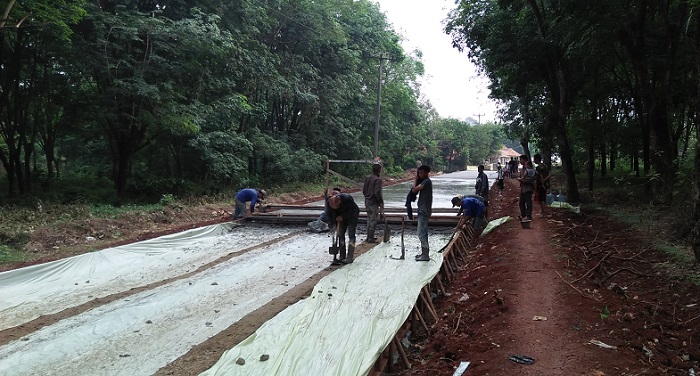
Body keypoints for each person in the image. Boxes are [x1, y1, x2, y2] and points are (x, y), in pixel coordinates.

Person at [327, 193, 360, 264]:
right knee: (340, 235)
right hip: (340, 218)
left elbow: (354, 211)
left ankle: (349, 257)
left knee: (351, 235)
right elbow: (329, 214)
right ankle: (342, 256)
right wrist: (331, 225)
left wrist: (343, 216)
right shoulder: (329, 202)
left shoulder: (347, 199)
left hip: (352, 217)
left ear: (340, 201)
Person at [412, 165, 433, 261]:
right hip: (423, 209)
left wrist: (415, 179)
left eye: (421, 173)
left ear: (426, 173)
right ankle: (424, 253)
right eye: (418, 173)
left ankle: (425, 255)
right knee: (423, 232)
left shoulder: (427, 182)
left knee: (421, 232)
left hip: (424, 210)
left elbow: (414, 189)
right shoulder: (426, 182)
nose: (419, 175)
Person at [363, 163, 384, 243]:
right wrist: (380, 202)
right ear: (379, 170)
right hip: (373, 202)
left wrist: (367, 197)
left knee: (369, 218)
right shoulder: (378, 180)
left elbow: (364, 191)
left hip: (367, 201)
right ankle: (370, 238)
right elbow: (377, 192)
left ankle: (369, 237)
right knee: (373, 219)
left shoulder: (367, 178)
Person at [517, 156, 536, 221]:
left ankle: (528, 216)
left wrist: (523, 180)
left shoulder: (530, 169)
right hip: (523, 187)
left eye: (521, 159)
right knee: (521, 203)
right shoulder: (523, 169)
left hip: (528, 188)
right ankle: (524, 215)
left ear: (525, 160)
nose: (520, 161)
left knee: (528, 202)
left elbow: (532, 178)